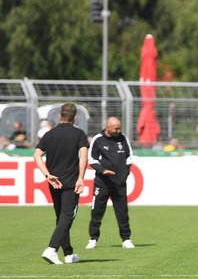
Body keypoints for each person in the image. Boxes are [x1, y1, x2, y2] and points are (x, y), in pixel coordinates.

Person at [34, 103, 89, 265]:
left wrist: (47, 175)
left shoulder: (49, 134)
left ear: (59, 116)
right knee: (67, 216)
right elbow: (84, 155)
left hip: (54, 182)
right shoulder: (79, 134)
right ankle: (51, 249)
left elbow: (37, 155)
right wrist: (81, 178)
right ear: (75, 117)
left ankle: (68, 253)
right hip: (71, 182)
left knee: (61, 217)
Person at [86, 117, 135, 250]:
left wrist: (125, 174)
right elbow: (91, 158)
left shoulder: (123, 138)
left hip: (119, 183)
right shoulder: (98, 139)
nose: (118, 131)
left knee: (122, 212)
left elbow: (129, 157)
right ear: (108, 127)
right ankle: (93, 239)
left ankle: (126, 239)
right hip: (102, 183)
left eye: (119, 128)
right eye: (116, 129)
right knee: (97, 211)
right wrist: (102, 170)